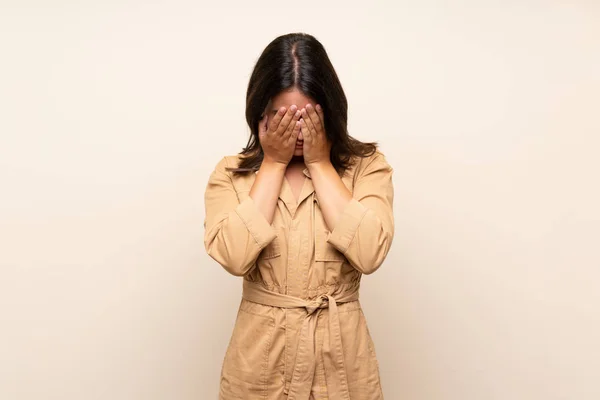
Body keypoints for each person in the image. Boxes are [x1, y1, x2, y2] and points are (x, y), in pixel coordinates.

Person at [204, 32, 394, 400]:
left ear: (330, 111)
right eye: (281, 116)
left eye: (307, 117)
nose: (296, 129)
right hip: (259, 364)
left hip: (341, 364)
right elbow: (232, 255)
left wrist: (320, 164)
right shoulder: (231, 175)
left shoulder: (366, 168)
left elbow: (370, 253)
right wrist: (273, 164)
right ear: (260, 113)